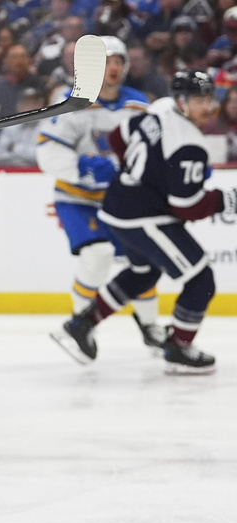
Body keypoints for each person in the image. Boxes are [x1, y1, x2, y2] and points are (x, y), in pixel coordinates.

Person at [51, 70, 228, 375]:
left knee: (143, 273)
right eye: (198, 99)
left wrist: (145, 176)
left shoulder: (159, 108)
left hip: (117, 207)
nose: (206, 105)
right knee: (200, 280)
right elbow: (187, 207)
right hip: (143, 216)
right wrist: (228, 200)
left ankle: (81, 325)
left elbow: (118, 138)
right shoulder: (190, 144)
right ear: (181, 100)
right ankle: (179, 347)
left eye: (209, 98)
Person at [36, 36, 166, 352]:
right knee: (97, 257)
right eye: (107, 61)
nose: (114, 67)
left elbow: (155, 151)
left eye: (119, 61)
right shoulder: (69, 101)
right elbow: (47, 152)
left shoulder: (138, 104)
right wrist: (83, 167)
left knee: (144, 262)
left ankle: (150, 325)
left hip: (122, 201)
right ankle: (80, 325)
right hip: (76, 198)